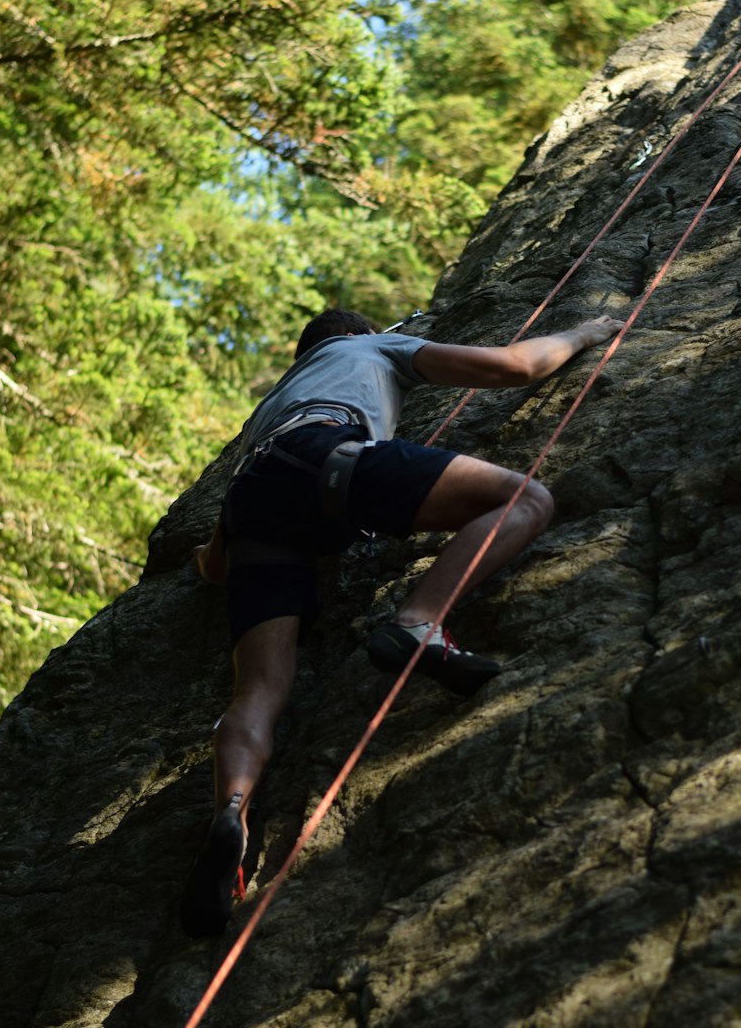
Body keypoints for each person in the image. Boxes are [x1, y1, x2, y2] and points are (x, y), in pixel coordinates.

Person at [180, 306, 622, 937]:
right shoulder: (373, 351)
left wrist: (201, 555)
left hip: (254, 500)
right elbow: (514, 366)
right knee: (527, 499)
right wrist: (589, 332)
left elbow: (216, 570)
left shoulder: (272, 404)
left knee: (258, 692)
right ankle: (420, 621)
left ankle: (232, 813)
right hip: (328, 457)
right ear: (362, 335)